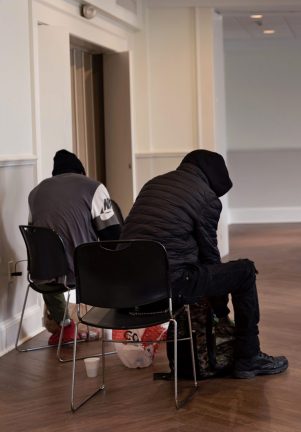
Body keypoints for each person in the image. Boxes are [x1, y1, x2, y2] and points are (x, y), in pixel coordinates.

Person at [121, 149, 287, 379]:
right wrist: (220, 309)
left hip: (127, 289)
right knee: (245, 271)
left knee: (190, 271)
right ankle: (249, 357)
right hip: (169, 286)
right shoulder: (206, 198)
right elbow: (210, 258)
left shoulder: (153, 184)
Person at [28, 149, 121, 344]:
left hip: (42, 275)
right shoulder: (94, 187)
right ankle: (117, 321)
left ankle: (65, 325)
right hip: (82, 273)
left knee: (47, 260)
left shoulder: (35, 193)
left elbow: (36, 234)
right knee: (120, 250)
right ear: (81, 172)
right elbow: (112, 235)